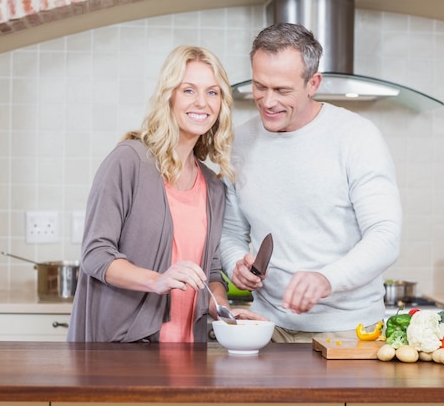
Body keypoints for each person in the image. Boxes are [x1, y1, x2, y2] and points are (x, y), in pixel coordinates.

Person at [219, 23, 403, 343]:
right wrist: (236, 263)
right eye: (259, 86)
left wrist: (326, 279)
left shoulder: (356, 137)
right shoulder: (241, 141)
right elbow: (231, 232)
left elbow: (386, 237)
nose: (267, 101)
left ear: (312, 83)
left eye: (282, 90)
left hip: (349, 329)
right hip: (267, 324)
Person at [67, 45, 260, 343]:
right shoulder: (128, 161)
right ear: (168, 96)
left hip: (185, 349)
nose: (202, 102)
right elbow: (96, 254)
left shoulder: (213, 186)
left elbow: (210, 271)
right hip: (122, 346)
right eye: (188, 90)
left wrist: (224, 311)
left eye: (212, 92)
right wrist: (158, 280)